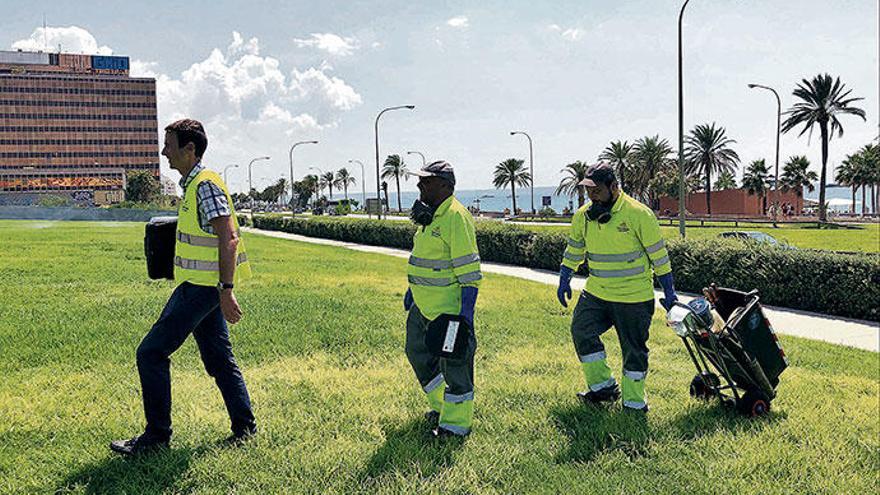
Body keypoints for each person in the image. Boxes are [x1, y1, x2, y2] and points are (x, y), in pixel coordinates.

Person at [111, 119, 257, 455]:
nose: (164, 152)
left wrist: (225, 289)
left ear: (189, 149)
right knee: (220, 359)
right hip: (200, 285)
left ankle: (156, 438)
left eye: (169, 144)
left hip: (203, 288)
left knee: (151, 352)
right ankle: (245, 429)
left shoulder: (204, 185)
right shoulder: (193, 186)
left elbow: (228, 237)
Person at [556, 163, 678, 412]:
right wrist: (564, 276)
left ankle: (634, 402)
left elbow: (660, 257)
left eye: (597, 190)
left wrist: (670, 293)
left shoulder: (639, 214)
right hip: (596, 294)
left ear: (614, 187)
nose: (592, 196)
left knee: (633, 350)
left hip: (633, 298)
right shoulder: (583, 216)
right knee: (582, 331)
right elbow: (575, 248)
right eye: (588, 191)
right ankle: (602, 388)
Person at [403, 161, 482, 438]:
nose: (419, 185)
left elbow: (470, 273)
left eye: (427, 181)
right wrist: (412, 291)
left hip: (448, 311)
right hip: (422, 307)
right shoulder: (430, 216)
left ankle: (455, 426)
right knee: (417, 353)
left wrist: (465, 315)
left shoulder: (455, 217)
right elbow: (426, 261)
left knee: (456, 367)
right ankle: (441, 406)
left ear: (446, 186)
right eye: (420, 181)